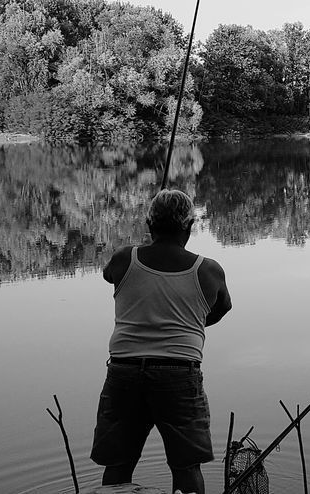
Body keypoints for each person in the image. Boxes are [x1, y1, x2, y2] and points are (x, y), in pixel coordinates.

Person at [91, 189, 232, 494]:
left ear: (149, 223)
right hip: (179, 374)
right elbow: (222, 308)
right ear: (190, 226)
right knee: (186, 466)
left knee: (118, 463)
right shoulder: (208, 270)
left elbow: (108, 276)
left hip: (124, 372)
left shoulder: (124, 258)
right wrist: (192, 322)